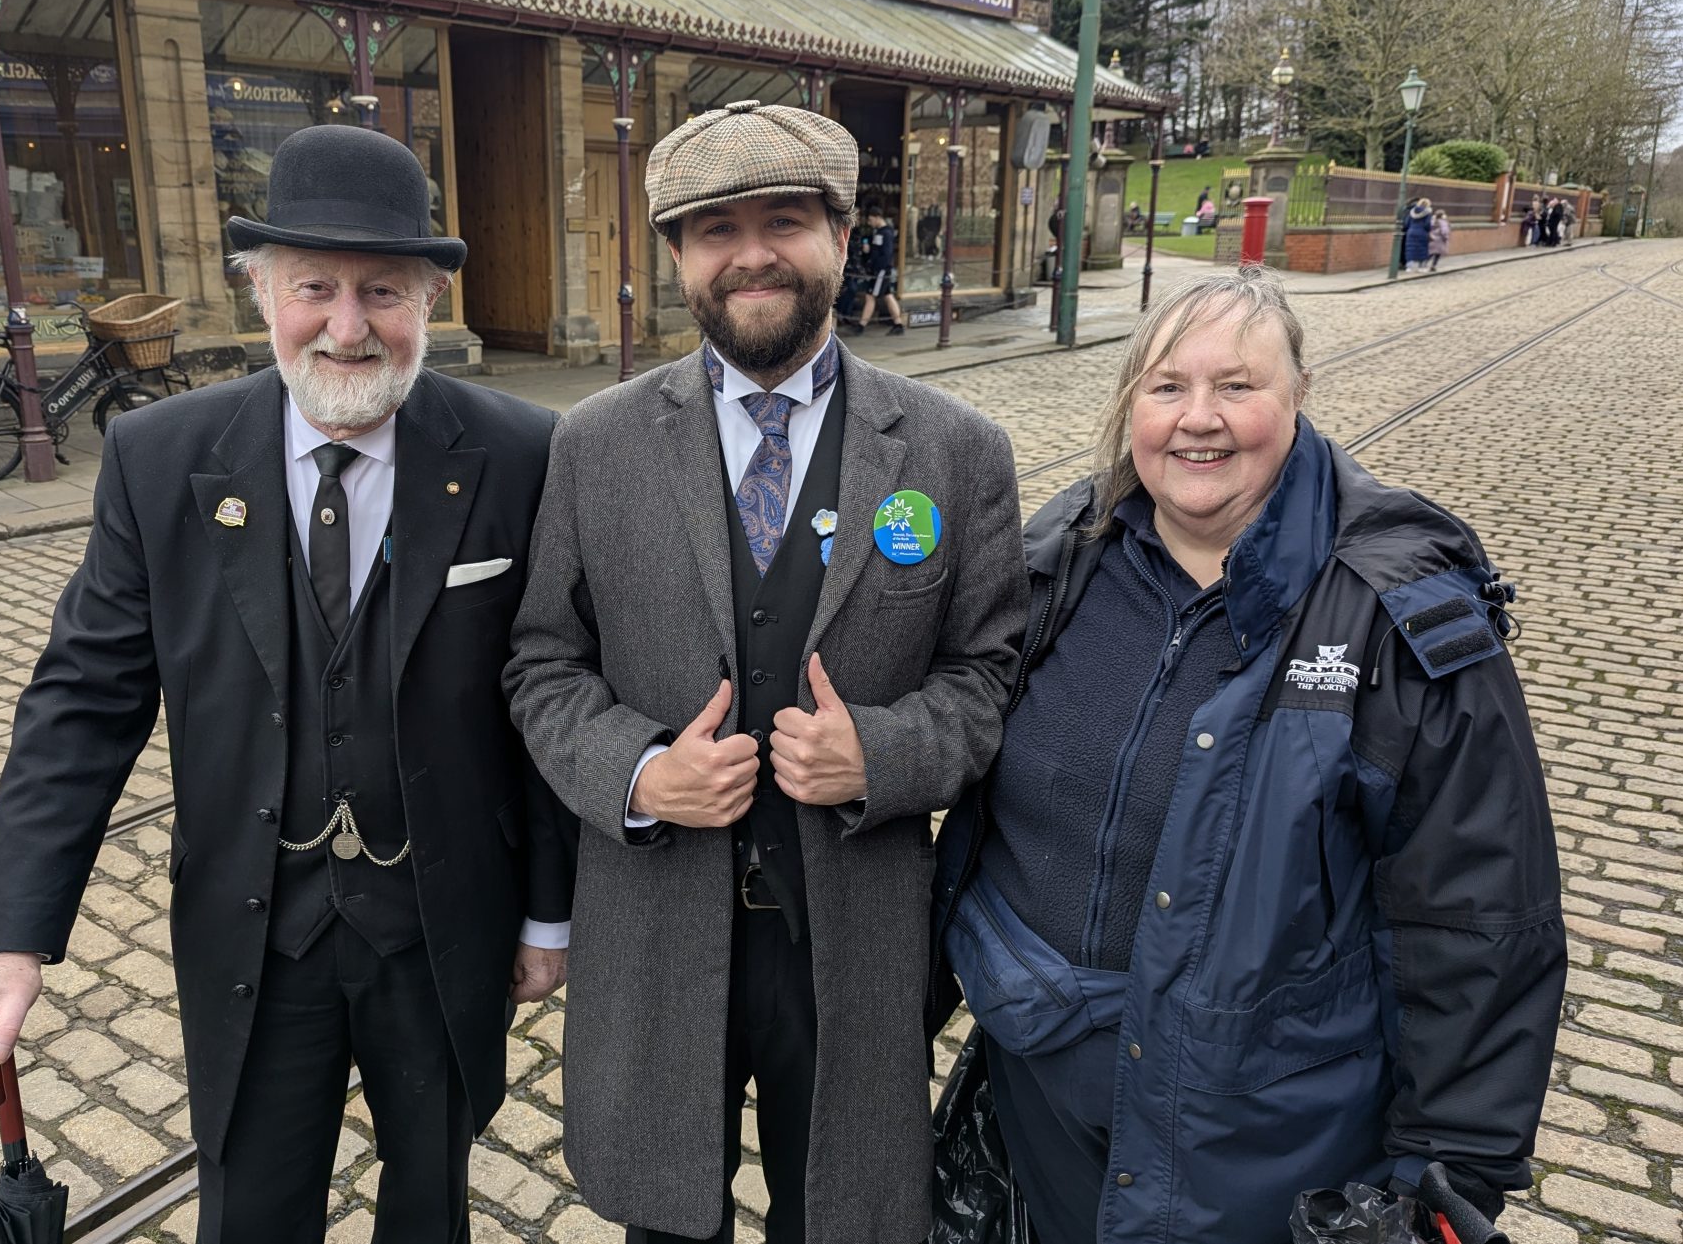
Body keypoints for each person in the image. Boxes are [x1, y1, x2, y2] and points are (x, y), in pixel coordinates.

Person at [0, 125, 576, 1243]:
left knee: (433, 1203)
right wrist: (12, 941)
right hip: (255, 929)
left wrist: (548, 913)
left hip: (444, 923)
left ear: (429, 301)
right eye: (314, 287)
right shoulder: (159, 457)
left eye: (382, 290)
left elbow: (549, 691)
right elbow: (84, 699)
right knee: (253, 1214)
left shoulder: (523, 452)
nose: (347, 325)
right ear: (260, 292)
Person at [934, 265, 1565, 1244]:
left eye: (1237, 385)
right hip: (1039, 1106)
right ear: (1130, 405)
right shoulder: (1064, 549)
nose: (1199, 418)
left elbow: (1479, 910)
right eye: (1166, 387)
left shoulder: (1397, 609)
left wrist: (1449, 1170)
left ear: (1298, 393)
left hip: (1256, 1150)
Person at [506, 98, 1025, 1244]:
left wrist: (880, 753)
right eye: (714, 229)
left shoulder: (954, 450)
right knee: (665, 1223)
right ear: (675, 257)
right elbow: (541, 660)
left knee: (836, 1219)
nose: (751, 254)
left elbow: (987, 676)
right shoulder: (593, 444)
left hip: (853, 936)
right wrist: (636, 771)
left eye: (782, 220)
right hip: (656, 926)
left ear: (840, 235)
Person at [843, 205, 905, 336]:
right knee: (888, 296)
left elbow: (886, 255)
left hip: (880, 272)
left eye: (871, 220)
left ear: (877, 217)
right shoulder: (879, 232)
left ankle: (861, 325)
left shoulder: (886, 233)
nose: (869, 223)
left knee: (870, 296)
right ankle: (898, 323)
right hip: (880, 271)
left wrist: (876, 268)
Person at [1402, 195, 1434, 267]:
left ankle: (1409, 267)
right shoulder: (1428, 213)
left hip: (1411, 232)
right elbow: (1427, 224)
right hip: (1422, 232)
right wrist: (1428, 230)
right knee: (1422, 249)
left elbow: (1406, 223)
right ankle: (1421, 266)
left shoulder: (1411, 212)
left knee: (1410, 249)